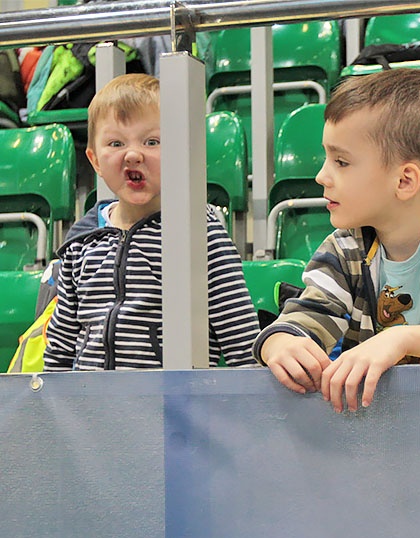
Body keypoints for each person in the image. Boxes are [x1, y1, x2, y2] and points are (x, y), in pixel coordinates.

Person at [254, 68, 420, 413]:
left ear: (405, 180)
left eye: (341, 162)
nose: (322, 175)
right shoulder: (344, 247)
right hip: (387, 429)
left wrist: (399, 338)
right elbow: (308, 315)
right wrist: (279, 343)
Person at [43, 73, 260, 370]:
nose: (133, 154)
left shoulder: (199, 232)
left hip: (171, 410)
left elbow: (241, 339)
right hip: (89, 411)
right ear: (95, 161)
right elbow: (61, 345)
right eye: (116, 143)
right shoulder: (81, 242)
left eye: (152, 141)